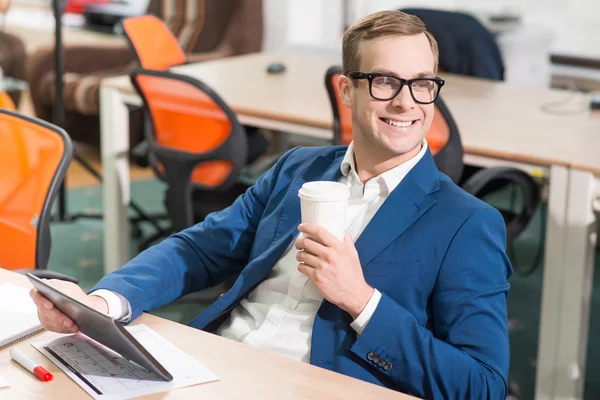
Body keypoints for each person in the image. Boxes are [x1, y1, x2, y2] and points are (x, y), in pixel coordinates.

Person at [31, 10, 512, 399]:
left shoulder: (467, 223)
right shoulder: (298, 168)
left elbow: (482, 386)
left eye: (422, 83)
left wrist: (362, 302)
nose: (407, 102)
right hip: (219, 367)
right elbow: (200, 249)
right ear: (347, 89)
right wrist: (102, 304)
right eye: (385, 81)